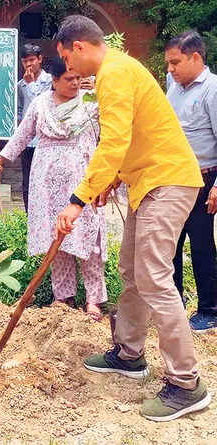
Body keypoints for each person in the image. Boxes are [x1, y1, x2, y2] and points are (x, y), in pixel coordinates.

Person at [54, 15, 211, 422]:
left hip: (168, 181)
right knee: (131, 269)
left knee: (154, 276)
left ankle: (186, 383)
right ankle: (129, 354)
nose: (70, 70)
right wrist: (114, 179)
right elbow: (136, 138)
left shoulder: (114, 73)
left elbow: (115, 140)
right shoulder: (118, 69)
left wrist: (78, 199)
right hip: (148, 181)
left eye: (69, 61)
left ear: (80, 47)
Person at [0, 57, 107, 319]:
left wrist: (105, 179)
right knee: (59, 240)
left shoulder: (91, 103)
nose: (75, 83)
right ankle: (63, 298)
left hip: (83, 182)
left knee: (89, 239)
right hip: (47, 185)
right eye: (69, 79)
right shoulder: (41, 104)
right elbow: (22, 135)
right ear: (54, 81)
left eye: (78, 78)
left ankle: (94, 301)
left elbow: (110, 137)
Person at [165, 31, 217, 332]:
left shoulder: (212, 89)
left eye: (175, 62)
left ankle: (209, 310)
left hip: (202, 182)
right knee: (170, 246)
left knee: (201, 247)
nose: (171, 69)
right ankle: (174, 303)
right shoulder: (175, 88)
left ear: (195, 57)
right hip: (175, 180)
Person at [17, 43, 52, 212]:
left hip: (45, 141)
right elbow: (19, 109)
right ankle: (28, 215)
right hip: (28, 142)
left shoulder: (51, 81)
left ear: (40, 59)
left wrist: (30, 84)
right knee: (27, 182)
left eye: (32, 60)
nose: (29, 65)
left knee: (45, 180)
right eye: (25, 61)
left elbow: (42, 105)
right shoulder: (20, 85)